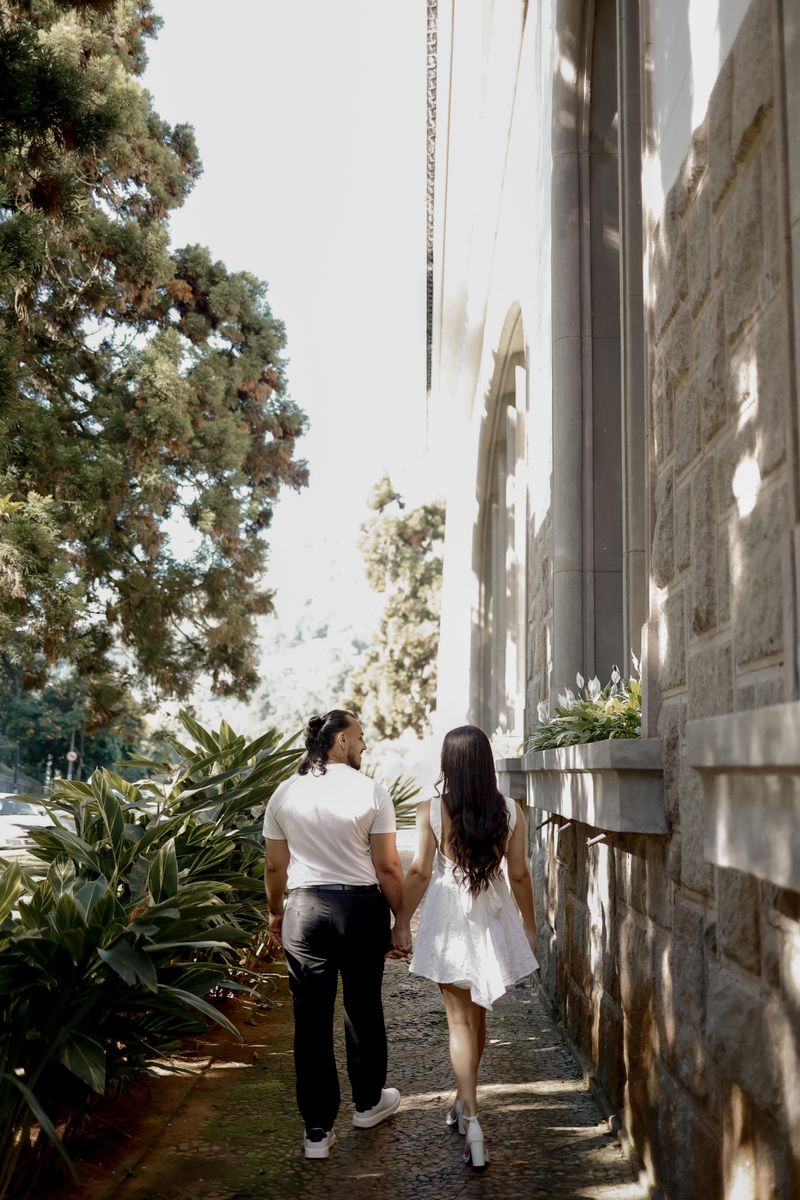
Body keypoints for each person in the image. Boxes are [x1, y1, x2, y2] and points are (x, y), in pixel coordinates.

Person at [391, 724, 539, 1169]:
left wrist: (400, 921)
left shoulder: (430, 811)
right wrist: (529, 927)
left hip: (449, 918)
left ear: (448, 763)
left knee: (459, 1023)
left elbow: (419, 872)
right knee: (478, 1018)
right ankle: (464, 1101)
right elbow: (519, 874)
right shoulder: (510, 811)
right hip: (493, 918)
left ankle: (471, 1116)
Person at [263, 710, 407, 1160]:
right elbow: (388, 866)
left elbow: (275, 867)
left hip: (304, 910)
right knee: (363, 1007)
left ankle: (316, 1131)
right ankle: (368, 1104)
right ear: (341, 740)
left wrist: (275, 913)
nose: (364, 745)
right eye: (360, 737)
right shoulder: (371, 791)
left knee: (310, 1020)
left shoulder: (285, 792)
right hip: (360, 909)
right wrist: (402, 919)